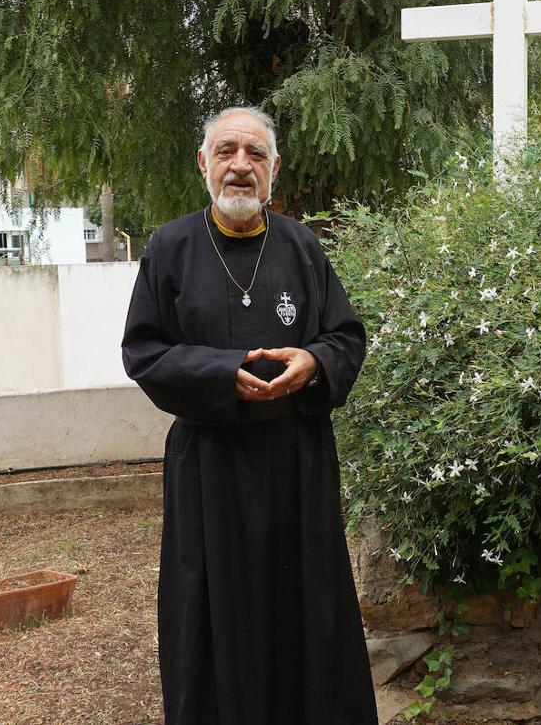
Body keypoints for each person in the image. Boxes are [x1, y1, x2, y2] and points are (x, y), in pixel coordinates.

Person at [122, 106, 377, 724]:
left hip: (297, 464)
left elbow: (346, 337)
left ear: (274, 170)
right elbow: (144, 352)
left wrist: (313, 362)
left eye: (255, 154)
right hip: (211, 467)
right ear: (203, 163)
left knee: (306, 613)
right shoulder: (171, 248)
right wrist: (219, 375)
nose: (241, 166)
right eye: (228, 151)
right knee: (212, 616)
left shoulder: (302, 246)